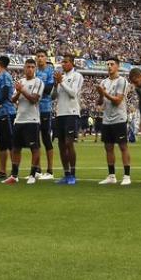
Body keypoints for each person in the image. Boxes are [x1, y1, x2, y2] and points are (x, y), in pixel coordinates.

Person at [5, 58, 45, 185]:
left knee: (34, 148)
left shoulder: (38, 82)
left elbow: (34, 99)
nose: (30, 69)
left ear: (35, 69)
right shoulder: (20, 81)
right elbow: (12, 99)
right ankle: (14, 175)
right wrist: (18, 92)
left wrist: (22, 90)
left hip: (32, 120)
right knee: (16, 148)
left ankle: (33, 174)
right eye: (28, 67)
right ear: (24, 68)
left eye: (32, 67)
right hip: (19, 119)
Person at [96, 57, 132, 185]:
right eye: (108, 64)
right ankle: (111, 176)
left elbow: (117, 101)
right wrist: (101, 95)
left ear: (118, 66)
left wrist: (104, 93)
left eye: (112, 64)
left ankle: (127, 176)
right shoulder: (103, 82)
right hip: (107, 119)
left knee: (123, 146)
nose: (109, 66)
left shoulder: (122, 81)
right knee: (108, 147)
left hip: (119, 118)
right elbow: (99, 103)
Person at [53, 53, 84, 184]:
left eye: (65, 62)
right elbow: (53, 97)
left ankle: (73, 174)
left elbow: (73, 93)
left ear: (72, 63)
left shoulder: (77, 76)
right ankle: (66, 173)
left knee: (68, 143)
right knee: (60, 145)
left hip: (71, 112)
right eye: (62, 62)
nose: (63, 64)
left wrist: (61, 82)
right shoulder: (62, 77)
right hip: (60, 113)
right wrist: (56, 85)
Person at [0, 55, 16, 180]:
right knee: (1, 143)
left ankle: (13, 171)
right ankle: (2, 171)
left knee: (10, 142)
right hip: (0, 114)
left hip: (6, 112)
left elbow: (6, 93)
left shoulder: (5, 75)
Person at [34, 50, 57, 180]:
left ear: (46, 58)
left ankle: (50, 170)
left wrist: (35, 89)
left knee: (46, 138)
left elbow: (48, 90)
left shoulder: (50, 71)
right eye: (38, 56)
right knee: (35, 139)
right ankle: (37, 169)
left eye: (42, 56)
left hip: (45, 108)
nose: (40, 58)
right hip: (34, 108)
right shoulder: (35, 71)